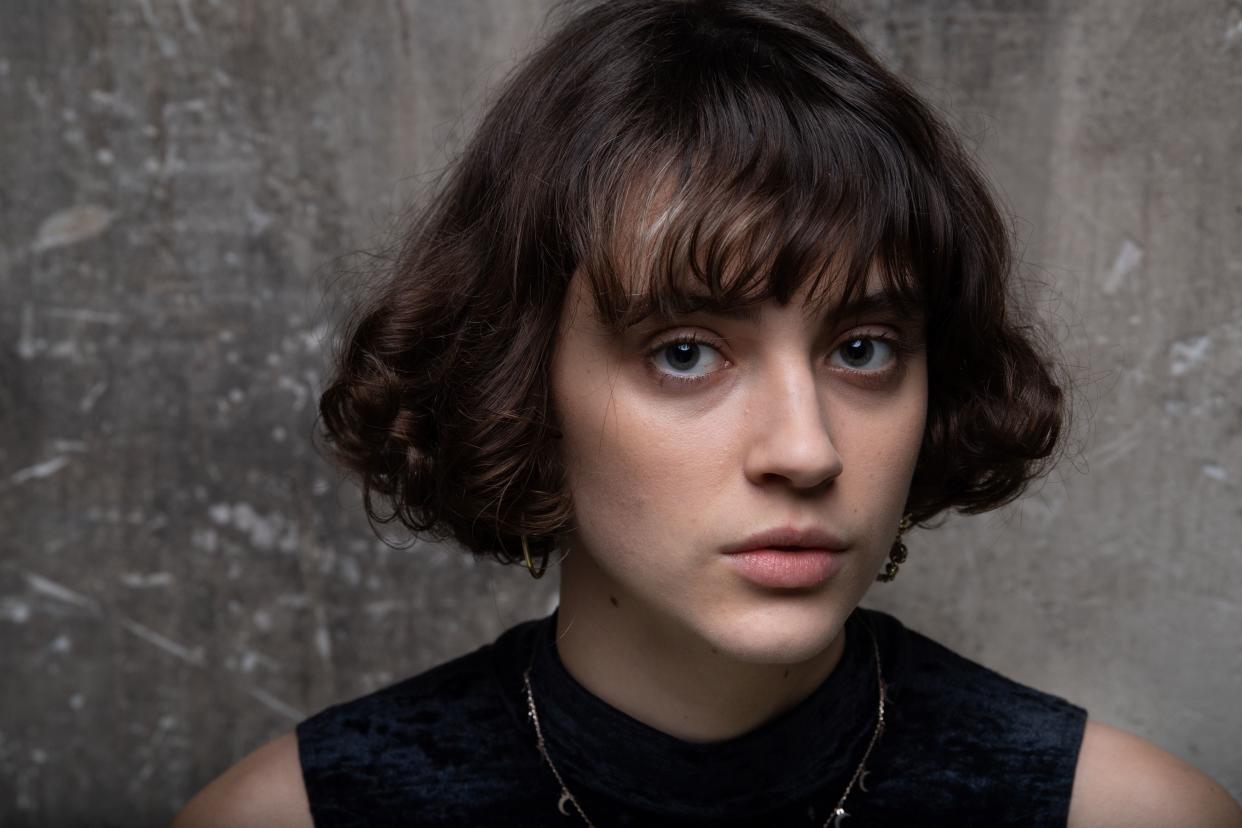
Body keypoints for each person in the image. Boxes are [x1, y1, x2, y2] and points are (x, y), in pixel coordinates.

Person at [173, 1, 1242, 826]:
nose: (806, 450)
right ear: (519, 381)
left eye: (862, 350)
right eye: (687, 353)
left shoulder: (1126, 815)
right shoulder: (294, 817)